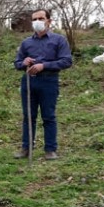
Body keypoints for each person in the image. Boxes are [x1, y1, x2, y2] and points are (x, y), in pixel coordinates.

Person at [14, 9, 72, 160]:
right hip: (29, 82)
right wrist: (23, 63)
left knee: (48, 116)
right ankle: (26, 148)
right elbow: (17, 63)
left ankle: (50, 149)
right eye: (34, 19)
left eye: (41, 18)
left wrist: (43, 66)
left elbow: (66, 61)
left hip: (49, 81)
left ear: (49, 21)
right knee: (28, 116)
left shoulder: (59, 40)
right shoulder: (26, 43)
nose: (37, 22)